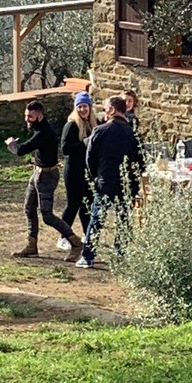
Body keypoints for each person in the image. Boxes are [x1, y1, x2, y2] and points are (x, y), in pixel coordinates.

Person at [5, 100, 81, 258]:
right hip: (38, 173)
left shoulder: (43, 133)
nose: (27, 120)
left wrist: (12, 144)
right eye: (26, 116)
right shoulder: (40, 127)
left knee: (47, 215)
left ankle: (75, 242)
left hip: (47, 176)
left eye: (30, 117)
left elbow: (21, 151)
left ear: (39, 116)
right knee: (29, 207)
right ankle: (31, 246)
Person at [76, 95, 144, 268]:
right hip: (126, 185)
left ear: (112, 110)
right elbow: (141, 161)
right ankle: (120, 255)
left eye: (105, 109)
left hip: (105, 182)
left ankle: (88, 256)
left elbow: (89, 158)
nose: (104, 113)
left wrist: (96, 177)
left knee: (97, 220)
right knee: (124, 220)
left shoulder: (100, 131)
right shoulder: (133, 134)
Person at [57, 91, 95, 261]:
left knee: (87, 204)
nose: (82, 109)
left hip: (87, 171)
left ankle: (88, 236)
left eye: (85, 106)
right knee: (73, 204)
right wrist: (83, 144)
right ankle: (63, 236)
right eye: (79, 106)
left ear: (90, 107)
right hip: (73, 171)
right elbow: (65, 149)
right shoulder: (71, 125)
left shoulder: (93, 124)